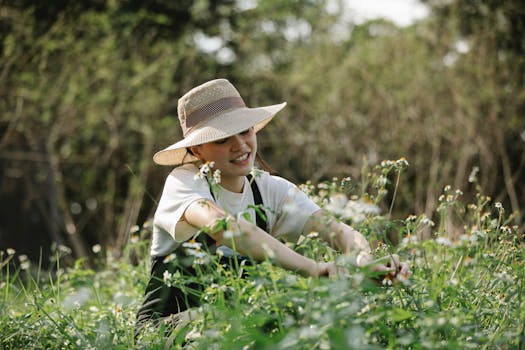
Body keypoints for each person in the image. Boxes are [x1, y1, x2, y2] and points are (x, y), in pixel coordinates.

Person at [135, 78, 410, 334]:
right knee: (254, 318)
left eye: (245, 131)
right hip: (167, 329)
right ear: (197, 151)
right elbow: (224, 227)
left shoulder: (270, 190)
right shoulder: (185, 181)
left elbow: (338, 231)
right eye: (222, 139)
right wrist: (314, 269)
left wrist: (361, 260)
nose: (240, 145)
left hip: (238, 321)